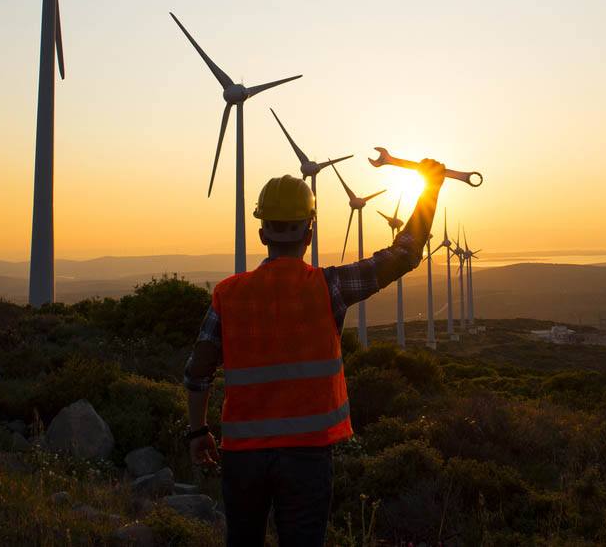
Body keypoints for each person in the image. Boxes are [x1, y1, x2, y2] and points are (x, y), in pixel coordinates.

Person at [183, 160, 446, 546]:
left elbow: (197, 372)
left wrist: (198, 430)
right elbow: (403, 254)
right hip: (307, 456)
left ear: (261, 233)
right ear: (310, 232)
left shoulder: (228, 294)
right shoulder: (330, 287)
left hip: (243, 455)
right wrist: (429, 189)